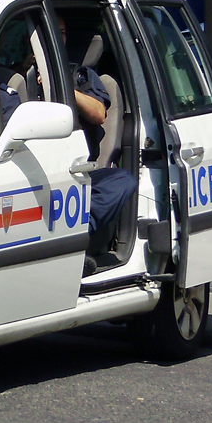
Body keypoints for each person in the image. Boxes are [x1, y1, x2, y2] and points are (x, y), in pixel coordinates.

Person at [57, 15, 137, 277]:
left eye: (63, 31)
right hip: (35, 171)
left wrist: (64, 87)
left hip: (78, 172)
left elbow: (98, 113)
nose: (59, 38)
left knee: (122, 180)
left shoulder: (80, 76)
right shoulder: (16, 76)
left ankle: (80, 237)